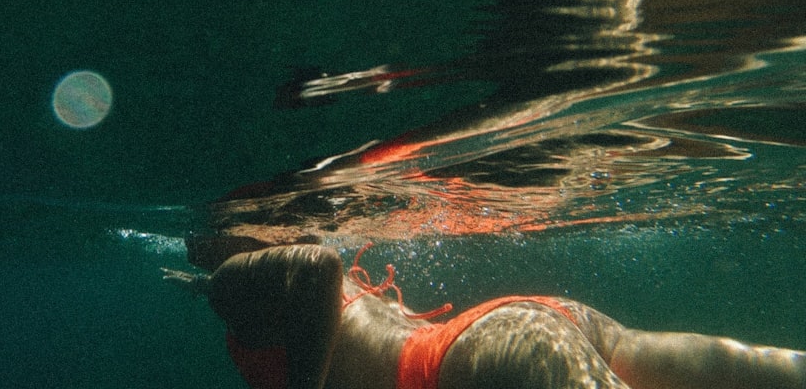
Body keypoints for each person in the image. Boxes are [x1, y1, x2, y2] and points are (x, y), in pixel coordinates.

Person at [164, 243, 805, 389]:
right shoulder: (229, 290)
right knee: (747, 371)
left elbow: (320, 263)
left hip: (472, 356)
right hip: (519, 328)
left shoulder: (234, 280)